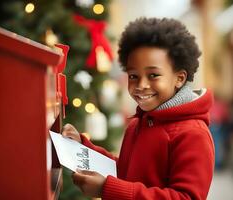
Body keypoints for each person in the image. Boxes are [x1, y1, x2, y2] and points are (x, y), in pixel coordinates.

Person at [62, 17, 214, 200]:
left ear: (180, 78)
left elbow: (186, 197)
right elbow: (126, 173)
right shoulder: (139, 123)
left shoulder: (193, 134)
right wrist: (82, 147)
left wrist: (107, 189)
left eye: (153, 75)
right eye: (133, 76)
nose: (141, 85)